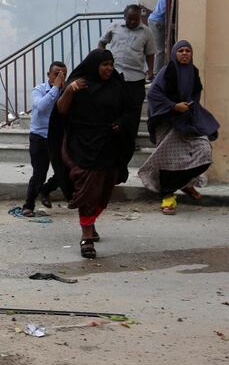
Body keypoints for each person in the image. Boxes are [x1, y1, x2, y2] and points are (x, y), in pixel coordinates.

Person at [49, 49, 138, 259]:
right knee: (88, 190)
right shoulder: (79, 83)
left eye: (111, 64)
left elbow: (130, 110)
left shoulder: (117, 85)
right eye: (104, 64)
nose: (108, 68)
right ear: (94, 65)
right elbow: (60, 111)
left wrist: (121, 124)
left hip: (109, 145)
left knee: (103, 191)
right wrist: (69, 91)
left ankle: (91, 222)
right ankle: (86, 237)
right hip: (83, 145)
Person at [137, 40, 219, 215]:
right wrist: (173, 106)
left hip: (187, 121)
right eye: (180, 50)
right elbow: (153, 93)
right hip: (166, 120)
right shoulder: (168, 70)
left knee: (204, 152)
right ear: (175, 53)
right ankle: (168, 197)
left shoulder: (193, 71)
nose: (184, 53)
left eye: (187, 51)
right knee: (169, 160)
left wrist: (191, 110)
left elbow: (195, 94)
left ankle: (184, 183)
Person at [98, 5, 156, 138]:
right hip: (115, 74)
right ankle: (113, 136)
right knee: (113, 106)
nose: (133, 22)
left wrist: (150, 71)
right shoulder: (115, 27)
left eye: (136, 19)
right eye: (130, 19)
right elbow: (102, 42)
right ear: (125, 16)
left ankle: (131, 139)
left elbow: (150, 54)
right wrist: (102, 59)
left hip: (135, 77)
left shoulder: (147, 32)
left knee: (134, 109)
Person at [21, 61, 67, 217]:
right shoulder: (39, 90)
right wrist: (55, 88)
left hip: (57, 138)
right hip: (39, 137)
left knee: (64, 171)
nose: (60, 77)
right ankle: (28, 205)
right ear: (49, 75)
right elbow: (41, 107)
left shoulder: (66, 91)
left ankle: (46, 190)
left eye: (63, 74)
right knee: (39, 173)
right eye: (56, 74)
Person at [148, 0, 168, 73]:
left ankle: (157, 72)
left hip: (155, 20)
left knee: (159, 49)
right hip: (157, 21)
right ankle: (157, 73)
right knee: (160, 50)